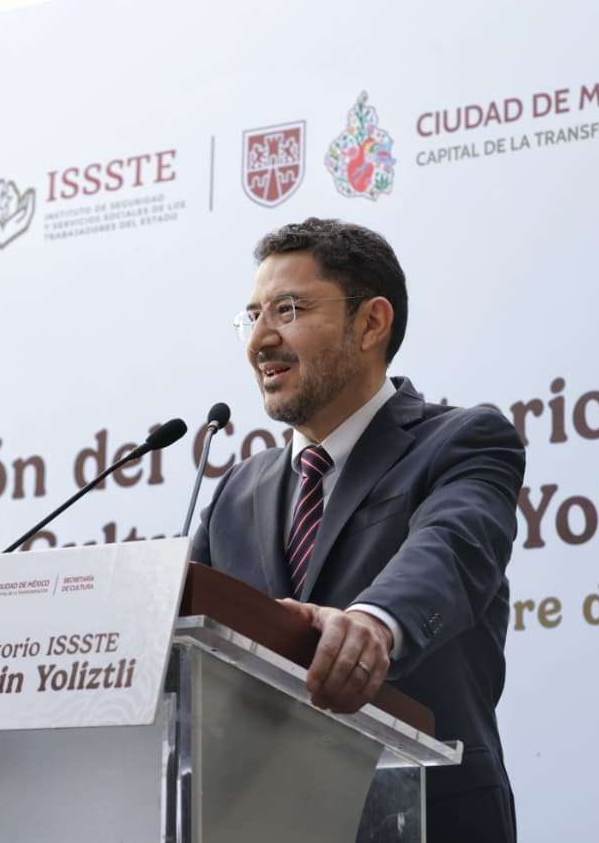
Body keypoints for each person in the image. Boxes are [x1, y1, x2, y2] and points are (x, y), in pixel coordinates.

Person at [189, 217, 525, 842]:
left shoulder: (462, 442)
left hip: (425, 816)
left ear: (371, 323)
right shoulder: (236, 492)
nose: (260, 339)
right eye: (252, 316)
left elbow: (450, 549)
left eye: (288, 309)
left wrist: (374, 623)